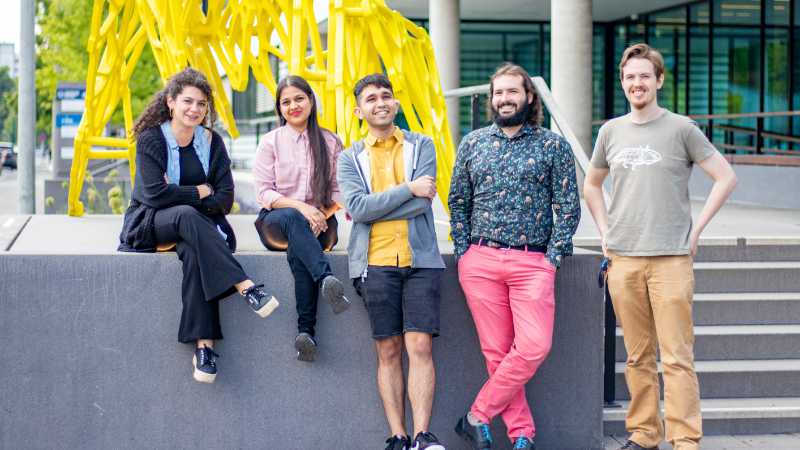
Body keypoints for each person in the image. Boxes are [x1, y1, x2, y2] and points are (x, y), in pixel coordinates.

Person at [584, 43, 737, 450]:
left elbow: (725, 177)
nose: (637, 83)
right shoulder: (610, 132)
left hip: (671, 258)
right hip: (624, 258)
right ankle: (645, 433)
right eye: (630, 77)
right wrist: (604, 230)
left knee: (676, 357)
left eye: (644, 77)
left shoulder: (681, 128)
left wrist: (696, 230)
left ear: (659, 81)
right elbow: (592, 185)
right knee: (637, 357)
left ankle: (685, 439)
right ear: (623, 82)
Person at [448, 63, 581, 450]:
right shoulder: (472, 143)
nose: (505, 99)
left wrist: (552, 258)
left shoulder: (553, 146)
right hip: (480, 261)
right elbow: (458, 202)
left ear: (529, 97)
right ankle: (522, 435)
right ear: (491, 99)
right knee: (496, 352)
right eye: (498, 93)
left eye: (512, 92)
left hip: (533, 262)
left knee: (534, 346)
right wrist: (464, 252)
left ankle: (476, 415)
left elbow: (568, 207)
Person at [118, 68, 279, 384]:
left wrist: (180, 193)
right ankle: (245, 286)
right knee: (185, 216)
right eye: (187, 102)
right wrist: (199, 191)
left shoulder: (211, 141)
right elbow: (153, 194)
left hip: (203, 231)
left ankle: (204, 350)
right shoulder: (152, 140)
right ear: (171, 102)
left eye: (201, 104)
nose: (194, 109)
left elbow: (225, 198)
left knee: (194, 252)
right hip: (151, 223)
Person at [337, 74, 446, 450]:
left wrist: (393, 200)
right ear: (359, 110)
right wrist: (406, 189)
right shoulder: (349, 157)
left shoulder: (422, 145)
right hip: (374, 262)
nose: (380, 102)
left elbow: (423, 201)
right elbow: (357, 209)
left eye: (386, 96)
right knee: (388, 350)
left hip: (421, 261)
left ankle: (422, 435)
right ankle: (398, 434)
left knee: (420, 347)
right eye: (371, 98)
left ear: (396, 104)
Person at [252, 75, 350, 362]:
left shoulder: (330, 141)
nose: (293, 105)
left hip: (320, 224)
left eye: (299, 98)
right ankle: (325, 278)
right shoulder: (271, 141)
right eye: (286, 101)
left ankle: (305, 333)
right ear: (279, 108)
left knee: (301, 247)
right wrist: (303, 208)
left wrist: (322, 213)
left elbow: (338, 190)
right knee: (295, 223)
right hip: (277, 220)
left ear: (310, 101)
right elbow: (264, 192)